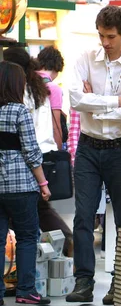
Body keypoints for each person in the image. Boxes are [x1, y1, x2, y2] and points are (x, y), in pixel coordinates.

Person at [66, 5, 121, 305]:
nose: (105, 42)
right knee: (83, 216)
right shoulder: (85, 59)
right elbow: (76, 99)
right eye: (101, 35)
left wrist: (96, 104)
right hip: (88, 148)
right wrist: (116, 102)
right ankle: (84, 282)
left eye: (111, 37)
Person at [3, 48, 73, 258]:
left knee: (30, 215)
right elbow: (52, 126)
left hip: (24, 161)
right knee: (39, 210)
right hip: (42, 155)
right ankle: (64, 243)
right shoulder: (38, 90)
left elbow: (24, 136)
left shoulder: (19, 93)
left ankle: (60, 245)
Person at [0, 61, 52, 306]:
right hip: (20, 185)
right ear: (17, 84)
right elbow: (31, 152)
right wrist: (43, 184)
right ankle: (26, 291)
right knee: (28, 237)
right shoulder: (20, 112)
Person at [37, 46, 67, 147]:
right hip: (45, 146)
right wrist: (59, 150)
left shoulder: (25, 81)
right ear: (57, 67)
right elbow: (55, 125)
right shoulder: (53, 88)